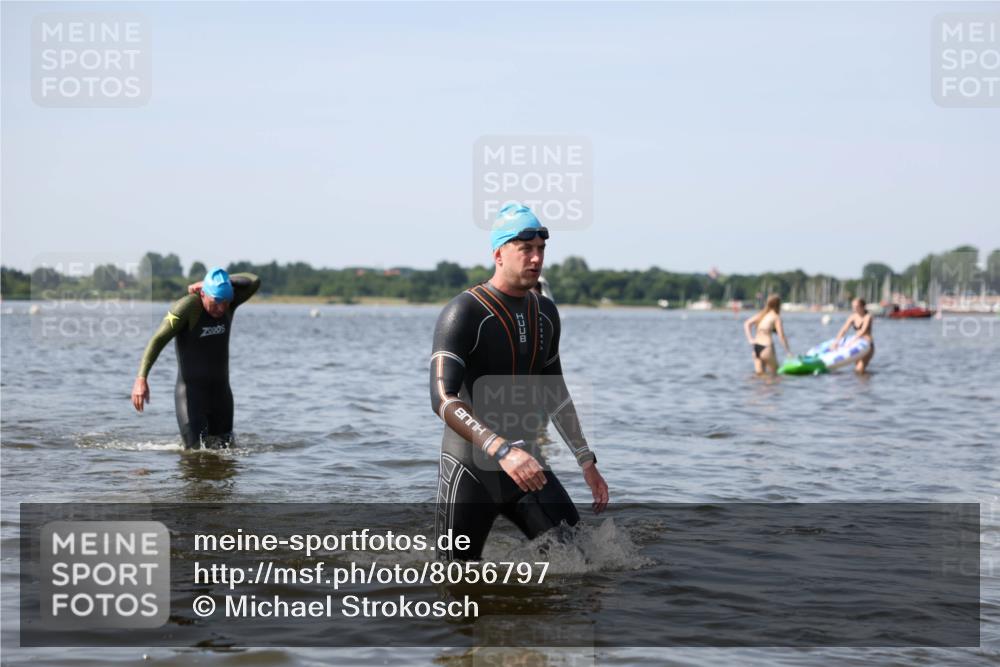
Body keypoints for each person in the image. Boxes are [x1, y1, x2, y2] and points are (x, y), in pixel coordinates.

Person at [429, 203, 609, 561]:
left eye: (541, 249)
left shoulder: (545, 313)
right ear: (498, 253)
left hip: (527, 465)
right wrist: (502, 450)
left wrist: (586, 461)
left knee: (584, 563)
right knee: (455, 582)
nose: (536, 258)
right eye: (525, 249)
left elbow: (554, 391)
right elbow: (443, 398)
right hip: (471, 470)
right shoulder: (464, 312)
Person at [131, 267, 261, 448]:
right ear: (203, 294)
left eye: (226, 301)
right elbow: (158, 339)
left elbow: (254, 280)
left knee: (226, 452)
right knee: (194, 455)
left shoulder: (229, 303)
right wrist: (141, 378)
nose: (221, 308)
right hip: (191, 396)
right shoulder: (187, 307)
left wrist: (223, 281)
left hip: (221, 396)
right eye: (216, 301)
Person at [743, 294, 792, 375]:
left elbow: (747, 323)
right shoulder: (776, 317)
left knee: (759, 376)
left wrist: (750, 339)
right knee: (775, 375)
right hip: (766, 348)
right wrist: (788, 352)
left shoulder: (762, 315)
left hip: (756, 348)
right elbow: (781, 336)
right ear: (778, 305)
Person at [832, 297, 874, 373]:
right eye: (853, 306)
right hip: (857, 344)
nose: (854, 308)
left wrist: (853, 341)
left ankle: (865, 384)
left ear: (862, 307)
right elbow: (843, 330)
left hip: (867, 345)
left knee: (860, 368)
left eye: (856, 306)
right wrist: (836, 342)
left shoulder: (868, 317)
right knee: (857, 370)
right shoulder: (853, 317)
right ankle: (858, 384)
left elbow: (863, 331)